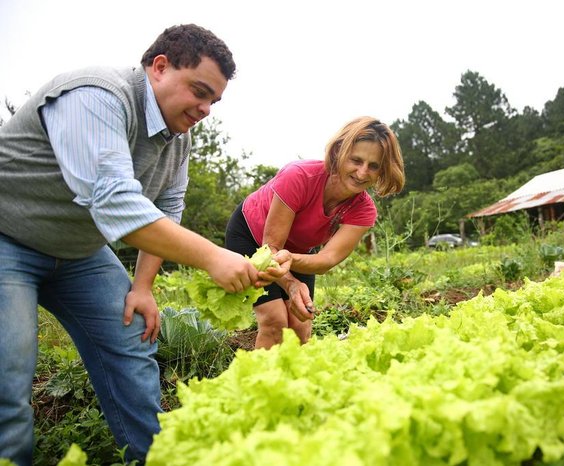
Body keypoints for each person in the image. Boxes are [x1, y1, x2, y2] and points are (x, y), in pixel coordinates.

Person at [0, 24, 290, 465]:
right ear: (159, 67)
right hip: (8, 236)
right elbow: (115, 202)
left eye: (214, 100)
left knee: (133, 336)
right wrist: (214, 256)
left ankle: (152, 456)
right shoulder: (96, 95)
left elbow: (166, 208)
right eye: (199, 91)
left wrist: (144, 286)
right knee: (9, 372)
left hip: (78, 251)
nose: (206, 108)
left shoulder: (178, 139)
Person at [225, 116, 405, 349]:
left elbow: (326, 259)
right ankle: (260, 382)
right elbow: (271, 249)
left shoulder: (363, 210)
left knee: (301, 327)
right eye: (356, 160)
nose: (362, 173)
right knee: (275, 321)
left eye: (373, 166)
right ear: (340, 151)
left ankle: (294, 383)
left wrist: (292, 262)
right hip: (252, 238)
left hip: (297, 252)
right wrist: (290, 284)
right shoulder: (299, 176)